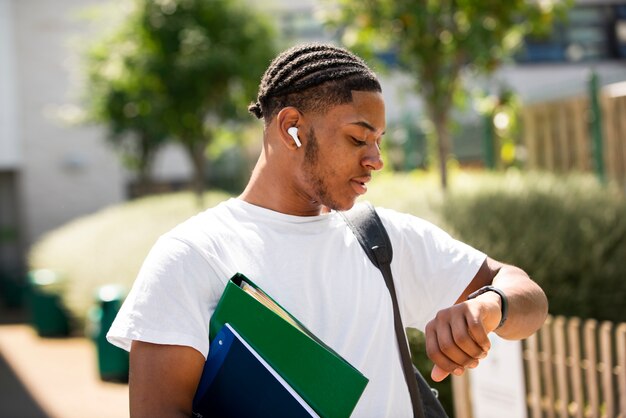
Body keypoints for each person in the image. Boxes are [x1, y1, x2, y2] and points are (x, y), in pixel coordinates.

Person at [107, 43, 548, 418]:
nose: (376, 159)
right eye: (359, 138)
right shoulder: (193, 255)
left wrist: (488, 308)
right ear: (291, 128)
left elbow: (528, 296)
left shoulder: (381, 238)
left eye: (379, 141)